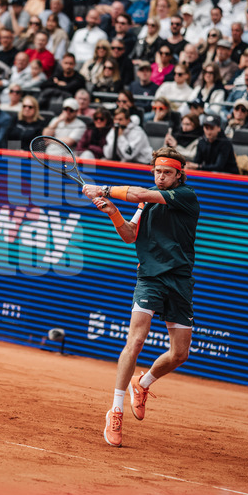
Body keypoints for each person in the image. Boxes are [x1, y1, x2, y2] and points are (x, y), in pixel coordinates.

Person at [81, 147, 200, 448]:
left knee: (180, 354)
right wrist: (113, 213)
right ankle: (115, 410)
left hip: (180, 281)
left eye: (168, 173)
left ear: (179, 174)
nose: (162, 177)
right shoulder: (146, 201)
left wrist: (104, 188)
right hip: (149, 278)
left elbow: (137, 195)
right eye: (158, 172)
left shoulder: (185, 196)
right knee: (135, 340)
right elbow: (130, 235)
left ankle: (142, 383)